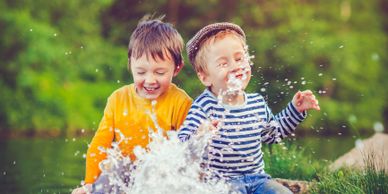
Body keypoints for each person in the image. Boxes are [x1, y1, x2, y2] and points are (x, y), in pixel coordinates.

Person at [178, 22, 320, 194]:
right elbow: (181, 146)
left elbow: (274, 134)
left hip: (258, 179)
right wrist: (200, 134)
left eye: (239, 59)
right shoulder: (203, 107)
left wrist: (296, 110)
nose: (235, 67)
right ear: (205, 77)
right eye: (223, 64)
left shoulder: (256, 103)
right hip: (221, 184)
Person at [72, 15, 192, 194]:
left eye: (159, 72)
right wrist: (90, 184)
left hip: (162, 177)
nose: (150, 80)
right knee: (107, 181)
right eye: (141, 72)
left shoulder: (181, 103)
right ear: (130, 65)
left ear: (176, 68)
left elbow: (189, 152)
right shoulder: (118, 99)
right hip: (125, 172)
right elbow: (100, 144)